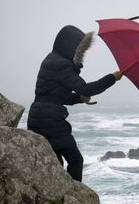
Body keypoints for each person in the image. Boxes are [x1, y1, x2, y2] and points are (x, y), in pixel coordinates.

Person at [27, 25, 122, 182]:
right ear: (70, 46)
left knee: (56, 164)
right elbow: (85, 88)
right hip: (50, 121)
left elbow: (55, 97)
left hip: (39, 117)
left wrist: (79, 99)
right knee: (76, 160)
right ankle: (74, 196)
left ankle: (60, 197)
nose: (81, 54)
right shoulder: (61, 65)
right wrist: (112, 78)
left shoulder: (52, 60)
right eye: (80, 49)